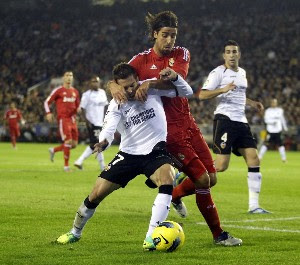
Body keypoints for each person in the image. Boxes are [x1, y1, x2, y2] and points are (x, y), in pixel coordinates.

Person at [108, 11, 242, 246]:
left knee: (212, 178)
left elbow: (175, 80)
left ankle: (176, 194)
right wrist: (111, 86)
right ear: (154, 35)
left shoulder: (182, 53)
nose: (170, 41)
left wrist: (149, 83)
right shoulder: (140, 61)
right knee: (202, 180)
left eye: (173, 35)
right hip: (168, 132)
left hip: (188, 122)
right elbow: (118, 77)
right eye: (165, 36)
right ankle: (218, 234)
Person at [55, 63, 193, 250]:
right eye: (125, 87)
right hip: (128, 154)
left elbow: (187, 91)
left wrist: (167, 79)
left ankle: (150, 237)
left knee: (166, 178)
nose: (130, 89)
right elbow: (109, 127)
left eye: (133, 84)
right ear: (118, 85)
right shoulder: (116, 102)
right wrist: (103, 141)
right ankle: (75, 232)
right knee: (95, 195)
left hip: (155, 151)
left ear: (137, 79)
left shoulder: (151, 89)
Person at [198, 40, 270, 214]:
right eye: (228, 52)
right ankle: (191, 171)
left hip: (241, 121)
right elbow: (202, 94)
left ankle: (254, 206)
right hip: (225, 120)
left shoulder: (242, 73)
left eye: (234, 51)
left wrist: (253, 103)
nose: (231, 54)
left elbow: (239, 96)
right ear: (224, 55)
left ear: (239, 54)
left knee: (254, 159)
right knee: (221, 166)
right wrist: (222, 90)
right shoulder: (218, 72)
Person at [44, 71, 80, 172]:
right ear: (63, 78)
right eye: (67, 76)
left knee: (74, 144)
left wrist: (78, 111)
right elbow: (47, 102)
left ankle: (53, 150)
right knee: (68, 142)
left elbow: (77, 106)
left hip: (72, 120)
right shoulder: (59, 90)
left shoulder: (75, 92)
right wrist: (48, 113)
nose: (69, 77)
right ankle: (66, 167)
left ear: (72, 78)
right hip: (63, 119)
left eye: (71, 76)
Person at [74, 76, 108, 170]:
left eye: (97, 81)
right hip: (92, 122)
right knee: (96, 143)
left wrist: (106, 118)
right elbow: (82, 109)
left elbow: (105, 106)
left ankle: (101, 166)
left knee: (98, 143)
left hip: (101, 122)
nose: (95, 83)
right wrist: (86, 121)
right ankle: (79, 161)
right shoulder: (86, 94)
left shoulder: (102, 92)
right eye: (93, 82)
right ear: (90, 83)